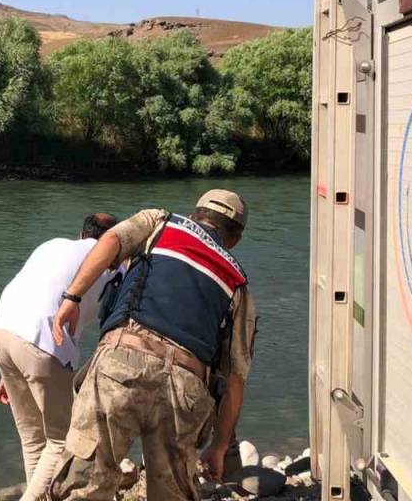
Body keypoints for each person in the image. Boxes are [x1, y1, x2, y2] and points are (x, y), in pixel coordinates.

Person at [48, 190, 258, 501]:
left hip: (122, 362)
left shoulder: (160, 222)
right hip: (186, 389)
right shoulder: (238, 285)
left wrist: (73, 297)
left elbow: (111, 241)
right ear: (235, 239)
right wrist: (220, 445)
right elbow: (236, 380)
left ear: (196, 214)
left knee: (84, 485)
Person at [0, 212, 120, 501]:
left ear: (82, 233)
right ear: (113, 241)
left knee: (32, 438)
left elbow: (35, 292)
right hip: (43, 341)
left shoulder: (52, 245)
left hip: (3, 331)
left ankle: (39, 495)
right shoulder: (111, 269)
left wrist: (11, 372)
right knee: (62, 439)